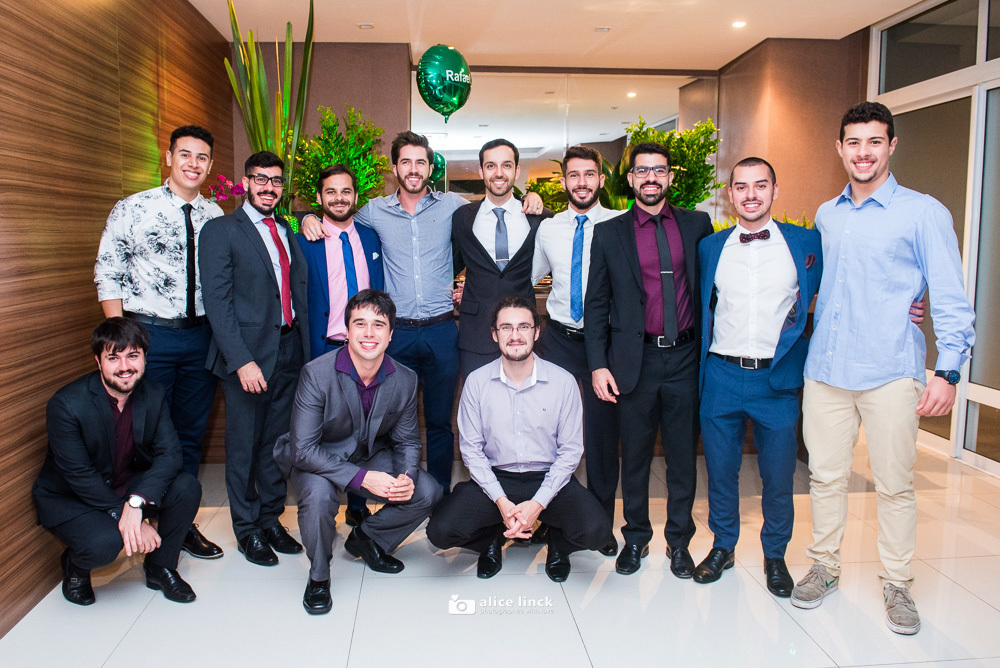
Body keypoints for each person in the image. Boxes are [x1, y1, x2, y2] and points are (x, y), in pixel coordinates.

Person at [791, 102, 975, 636]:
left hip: (891, 369)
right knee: (825, 477)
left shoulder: (923, 213)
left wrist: (948, 371)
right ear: (840, 148)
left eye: (874, 141)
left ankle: (897, 583)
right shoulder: (827, 214)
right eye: (854, 142)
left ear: (891, 145)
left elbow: (950, 297)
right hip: (826, 368)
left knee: (894, 484)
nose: (863, 152)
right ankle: (824, 567)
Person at [299, 131, 544, 494]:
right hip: (394, 336)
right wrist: (307, 217)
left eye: (420, 162)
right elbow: (338, 216)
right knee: (384, 422)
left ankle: (438, 495)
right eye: (406, 162)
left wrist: (531, 197)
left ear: (431, 168)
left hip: (441, 331)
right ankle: (393, 493)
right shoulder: (374, 211)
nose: (413, 169)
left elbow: (497, 202)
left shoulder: (455, 207)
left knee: (441, 422)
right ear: (394, 167)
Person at [694, 157, 822, 596]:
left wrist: (909, 302)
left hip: (777, 379)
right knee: (720, 471)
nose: (751, 194)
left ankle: (775, 555)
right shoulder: (711, 248)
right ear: (730, 193)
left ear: (774, 190)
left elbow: (840, 287)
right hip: (721, 375)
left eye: (760, 185)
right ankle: (723, 546)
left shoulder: (805, 243)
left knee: (778, 477)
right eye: (742, 186)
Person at [94, 125, 224, 560]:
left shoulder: (215, 216)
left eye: (202, 157)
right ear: (168, 157)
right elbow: (108, 270)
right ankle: (139, 518)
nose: (193, 163)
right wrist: (122, 338)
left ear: (210, 165)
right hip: (148, 336)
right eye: (185, 154)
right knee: (145, 433)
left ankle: (178, 523)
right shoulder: (133, 208)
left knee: (189, 434)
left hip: (201, 336)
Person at [585, 142, 713, 578]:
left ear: (670, 177)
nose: (651, 178)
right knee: (635, 458)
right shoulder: (610, 233)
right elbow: (596, 304)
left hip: (686, 359)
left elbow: (713, 288)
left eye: (659, 170)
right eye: (642, 171)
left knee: (682, 458)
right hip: (633, 362)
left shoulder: (697, 224)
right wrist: (598, 364)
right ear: (630, 179)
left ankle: (679, 542)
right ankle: (636, 538)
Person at [273, 290, 442, 614]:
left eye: (378, 325)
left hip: (368, 453)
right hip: (317, 457)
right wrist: (363, 478)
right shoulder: (316, 374)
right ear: (346, 330)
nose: (369, 333)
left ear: (390, 334)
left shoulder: (405, 379)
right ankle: (319, 576)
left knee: (426, 491)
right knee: (319, 498)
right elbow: (303, 449)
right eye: (360, 323)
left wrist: (406, 476)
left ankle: (368, 538)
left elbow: (407, 441)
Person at [426, 296, 612, 582]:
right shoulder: (476, 382)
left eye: (524, 327)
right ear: (494, 334)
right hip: (496, 478)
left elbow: (570, 452)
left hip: (549, 477)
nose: (515, 335)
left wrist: (537, 504)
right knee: (439, 531)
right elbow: (471, 451)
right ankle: (491, 539)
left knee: (598, 531)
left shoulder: (563, 382)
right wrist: (502, 502)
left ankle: (558, 543)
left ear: (536, 332)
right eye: (506, 328)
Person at [32, 318, 201, 605]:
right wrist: (130, 518)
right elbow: (79, 475)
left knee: (186, 487)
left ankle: (160, 567)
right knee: (106, 542)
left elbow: (170, 454)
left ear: (145, 358)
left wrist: (136, 503)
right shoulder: (67, 404)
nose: (125, 367)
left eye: (132, 356)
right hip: (73, 497)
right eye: (113, 358)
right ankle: (75, 567)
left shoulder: (153, 393)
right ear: (98, 362)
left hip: (125, 485)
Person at [199, 151, 308, 566]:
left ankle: (270, 519)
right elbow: (218, 303)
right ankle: (246, 530)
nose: (269, 187)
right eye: (260, 179)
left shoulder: (286, 229)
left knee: (277, 445)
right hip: (247, 356)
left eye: (276, 181)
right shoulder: (221, 230)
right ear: (245, 183)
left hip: (289, 350)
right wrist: (241, 361)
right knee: (244, 446)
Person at [531, 145, 621, 556]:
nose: (581, 183)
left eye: (589, 174)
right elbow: (526, 276)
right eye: (574, 175)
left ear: (601, 179)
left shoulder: (619, 225)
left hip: (605, 346)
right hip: (559, 342)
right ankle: (553, 521)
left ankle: (600, 525)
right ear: (564, 181)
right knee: (551, 437)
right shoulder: (548, 229)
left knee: (601, 438)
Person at [297, 163, 384, 525]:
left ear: (356, 196)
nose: (338, 198)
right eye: (330, 192)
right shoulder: (305, 239)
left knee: (364, 429)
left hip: (366, 349)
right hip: (324, 348)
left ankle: (358, 506)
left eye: (345, 191)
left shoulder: (371, 238)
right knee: (322, 431)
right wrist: (302, 217)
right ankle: (322, 505)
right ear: (319, 197)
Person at [452, 138, 553, 376]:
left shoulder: (540, 217)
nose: (499, 173)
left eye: (506, 165)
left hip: (523, 331)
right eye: (491, 166)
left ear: (516, 171)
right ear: (481, 171)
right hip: (476, 332)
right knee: (476, 395)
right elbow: (451, 265)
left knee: (525, 396)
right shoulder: (462, 217)